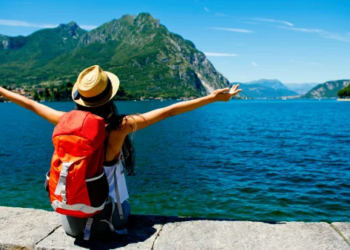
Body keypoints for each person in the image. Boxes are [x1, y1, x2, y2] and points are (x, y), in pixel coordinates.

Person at [0, 65, 241, 238]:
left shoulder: (64, 120)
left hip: (70, 222)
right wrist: (212, 98)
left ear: (80, 98)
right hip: (109, 221)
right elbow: (169, 111)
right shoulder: (119, 127)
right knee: (125, 205)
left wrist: (2, 90)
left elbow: (30, 104)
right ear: (109, 97)